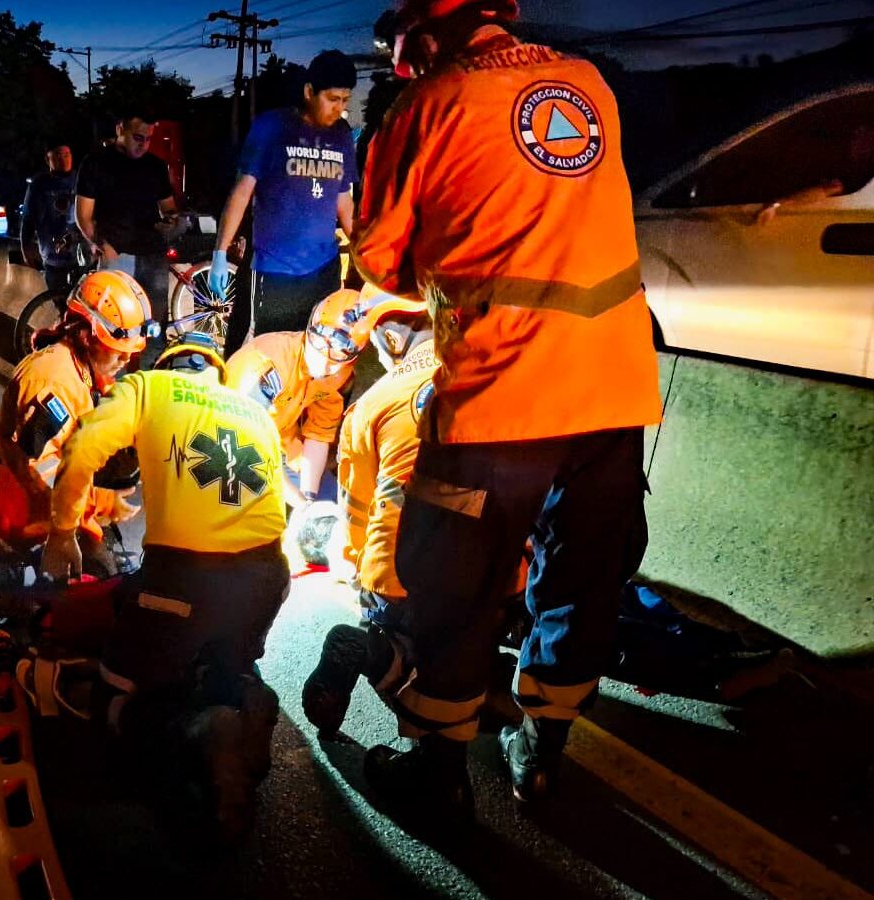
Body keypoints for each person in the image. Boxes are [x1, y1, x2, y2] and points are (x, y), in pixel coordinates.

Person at [352, 0, 662, 819]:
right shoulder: (589, 82)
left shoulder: (424, 107)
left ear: (421, 35)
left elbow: (382, 265)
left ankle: (440, 776)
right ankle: (544, 758)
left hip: (500, 394)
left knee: (454, 583)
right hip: (612, 386)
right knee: (582, 578)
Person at [40, 332, 288, 840]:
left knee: (118, 690)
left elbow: (85, 445)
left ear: (169, 363)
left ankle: (192, 739)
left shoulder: (148, 387)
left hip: (182, 578)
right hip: (265, 579)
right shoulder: (255, 415)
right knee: (219, 661)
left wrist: (63, 532)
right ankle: (241, 696)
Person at [300, 289, 433, 735]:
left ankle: (371, 650)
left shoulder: (372, 407)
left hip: (403, 584)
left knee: (416, 670)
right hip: (494, 573)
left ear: (392, 339)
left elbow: (358, 520)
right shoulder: (487, 374)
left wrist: (354, 571)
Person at [0, 270, 152, 582]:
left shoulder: (79, 366)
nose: (125, 359)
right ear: (86, 335)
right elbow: (38, 470)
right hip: (18, 504)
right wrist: (78, 520)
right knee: (95, 576)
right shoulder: (55, 379)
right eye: (118, 349)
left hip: (32, 492)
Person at [212, 50, 358, 356]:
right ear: (309, 92)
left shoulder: (342, 137)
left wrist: (363, 248)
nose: (339, 108)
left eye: (345, 100)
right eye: (332, 98)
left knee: (318, 353)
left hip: (323, 270)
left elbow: (343, 200)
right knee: (265, 355)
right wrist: (220, 253)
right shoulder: (272, 127)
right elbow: (242, 191)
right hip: (274, 269)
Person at [225, 288, 369, 507]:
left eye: (338, 355)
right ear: (310, 329)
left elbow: (319, 434)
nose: (324, 362)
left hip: (281, 445)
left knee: (331, 502)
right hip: (229, 442)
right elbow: (242, 444)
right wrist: (300, 505)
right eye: (321, 344)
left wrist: (309, 498)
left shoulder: (337, 373)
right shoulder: (268, 364)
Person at [75, 109, 180, 313]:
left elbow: (169, 207)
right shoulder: (95, 163)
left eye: (148, 139)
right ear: (120, 129)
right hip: (116, 255)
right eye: (138, 138)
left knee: (154, 326)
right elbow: (83, 216)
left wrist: (171, 219)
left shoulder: (156, 166)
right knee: (115, 327)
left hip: (152, 256)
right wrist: (101, 244)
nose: (143, 145)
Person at [21, 143, 80, 294]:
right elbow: (28, 218)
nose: (63, 160)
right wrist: (26, 248)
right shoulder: (39, 184)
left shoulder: (80, 180)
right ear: (48, 160)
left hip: (80, 255)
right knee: (57, 298)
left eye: (67, 155)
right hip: (52, 256)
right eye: (58, 156)